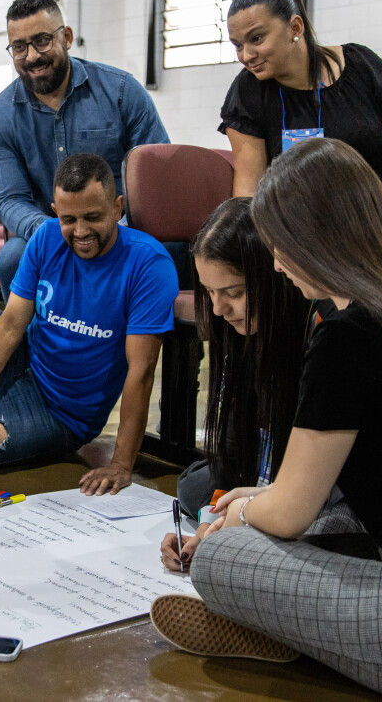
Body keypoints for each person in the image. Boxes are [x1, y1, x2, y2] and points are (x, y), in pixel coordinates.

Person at [149, 138, 382, 701]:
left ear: (315, 238)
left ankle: (295, 631)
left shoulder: (347, 336)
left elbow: (291, 512)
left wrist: (247, 512)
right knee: (275, 515)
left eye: (279, 247)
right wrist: (257, 497)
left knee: (223, 558)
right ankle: (307, 629)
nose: (277, 263)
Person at [0, 154, 177, 493]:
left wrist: (122, 463)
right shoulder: (47, 237)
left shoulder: (148, 264)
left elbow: (142, 370)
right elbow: (8, 328)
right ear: (54, 211)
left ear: (118, 207)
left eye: (93, 217)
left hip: (60, 412)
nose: (80, 231)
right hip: (21, 361)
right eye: (68, 219)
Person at [0, 0, 171, 300]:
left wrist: (115, 229)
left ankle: (173, 345)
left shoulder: (122, 92)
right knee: (12, 258)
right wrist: (57, 231)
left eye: (42, 40)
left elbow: (156, 179)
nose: (31, 56)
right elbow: (9, 199)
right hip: (47, 231)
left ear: (66, 37)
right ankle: (31, 347)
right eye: (19, 47)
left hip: (122, 229)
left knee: (175, 249)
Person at [159, 197, 313, 571]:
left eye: (233, 293)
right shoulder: (239, 331)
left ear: (274, 275)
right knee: (194, 487)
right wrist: (212, 521)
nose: (217, 309)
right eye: (210, 293)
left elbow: (309, 477)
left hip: (307, 476)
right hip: (263, 463)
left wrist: (240, 514)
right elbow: (234, 441)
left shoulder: (314, 333)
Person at [220, 0, 382, 240]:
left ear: (295, 27)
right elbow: (250, 191)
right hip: (312, 243)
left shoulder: (361, 66)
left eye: (257, 38)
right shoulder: (248, 92)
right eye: (238, 45)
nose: (246, 55)